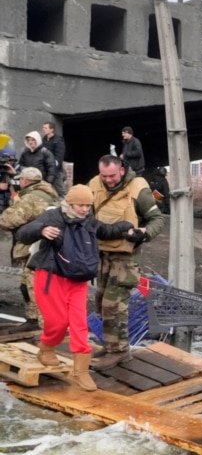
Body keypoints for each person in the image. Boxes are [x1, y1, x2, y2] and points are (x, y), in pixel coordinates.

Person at [17, 185, 134, 391]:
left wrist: (127, 228)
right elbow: (23, 233)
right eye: (81, 205)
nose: (84, 210)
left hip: (78, 279)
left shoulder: (88, 219)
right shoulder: (53, 216)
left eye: (88, 206)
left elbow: (105, 230)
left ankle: (81, 371)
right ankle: (46, 349)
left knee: (79, 324)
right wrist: (41, 230)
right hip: (51, 276)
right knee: (58, 322)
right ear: (70, 203)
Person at [89, 155, 165, 369]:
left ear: (121, 170)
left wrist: (144, 233)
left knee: (114, 305)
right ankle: (112, 345)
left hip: (125, 257)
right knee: (100, 302)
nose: (108, 180)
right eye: (104, 176)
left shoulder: (137, 188)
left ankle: (120, 351)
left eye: (112, 176)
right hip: (102, 255)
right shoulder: (94, 185)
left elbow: (157, 219)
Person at [0, 167, 59, 333]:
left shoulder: (30, 198)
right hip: (45, 246)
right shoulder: (49, 193)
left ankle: (42, 327)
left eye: (21, 180)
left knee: (33, 287)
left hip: (34, 247)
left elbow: (8, 220)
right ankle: (34, 320)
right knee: (30, 285)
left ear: (25, 181)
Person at [40, 122, 66, 197]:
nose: (43, 129)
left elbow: (59, 156)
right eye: (43, 127)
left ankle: (67, 206)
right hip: (45, 170)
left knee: (60, 191)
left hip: (56, 170)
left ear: (51, 129)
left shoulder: (58, 140)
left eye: (45, 128)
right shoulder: (43, 140)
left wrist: (53, 166)